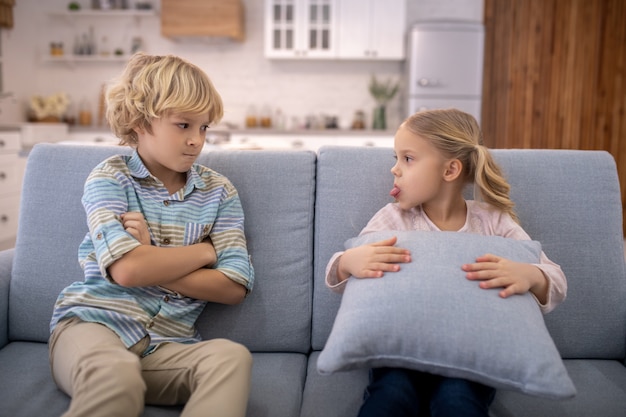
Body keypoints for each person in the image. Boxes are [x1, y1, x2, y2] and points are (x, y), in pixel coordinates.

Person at [49, 53, 255, 417]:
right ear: (139, 120)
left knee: (231, 357)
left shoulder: (220, 192)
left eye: (204, 127)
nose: (196, 141)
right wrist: (205, 254)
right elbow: (127, 272)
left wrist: (151, 257)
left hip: (167, 346)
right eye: (183, 125)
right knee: (116, 374)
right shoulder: (109, 178)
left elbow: (233, 288)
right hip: (94, 325)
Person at [325, 108, 567, 417]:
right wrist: (348, 261)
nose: (395, 170)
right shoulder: (392, 219)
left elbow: (556, 279)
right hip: (399, 356)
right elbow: (335, 273)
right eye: (395, 159)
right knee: (389, 396)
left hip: (471, 360)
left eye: (407, 159)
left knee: (458, 401)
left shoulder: (493, 222)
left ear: (450, 170)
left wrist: (531, 275)